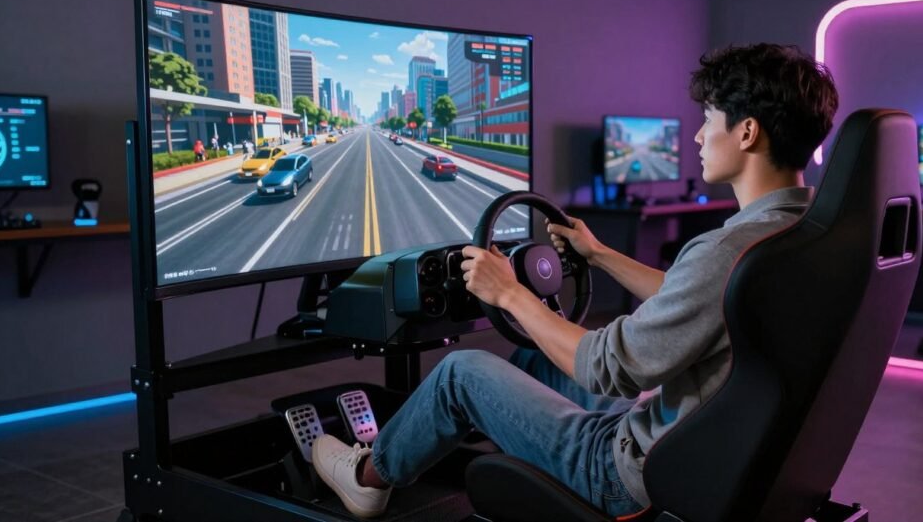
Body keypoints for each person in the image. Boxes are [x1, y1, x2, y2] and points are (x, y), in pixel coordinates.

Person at [311, 43, 839, 519]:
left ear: (747, 131)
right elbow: (706, 302)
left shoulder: (725, 252)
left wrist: (508, 293)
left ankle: (367, 479)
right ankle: (477, 449)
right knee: (536, 361)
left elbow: (609, 368)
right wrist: (601, 254)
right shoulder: (802, 233)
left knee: (459, 372)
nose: (699, 134)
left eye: (709, 118)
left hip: (633, 477)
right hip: (706, 449)